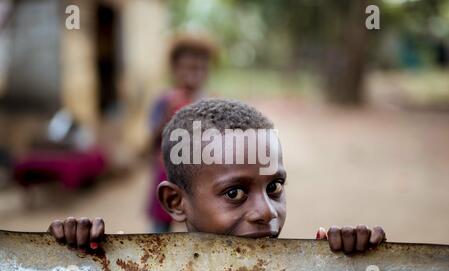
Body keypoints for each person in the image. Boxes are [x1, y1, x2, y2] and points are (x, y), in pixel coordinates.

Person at [48, 98, 386, 254]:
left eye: (275, 187)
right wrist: (78, 256)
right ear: (175, 202)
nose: (267, 211)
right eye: (235, 193)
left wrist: (346, 265)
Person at [147, 35, 217, 232]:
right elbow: (150, 141)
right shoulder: (164, 101)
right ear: (175, 69)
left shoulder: (213, 103)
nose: (191, 74)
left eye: (198, 68)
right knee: (159, 233)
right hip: (166, 174)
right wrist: (168, 117)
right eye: (186, 68)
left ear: (207, 70)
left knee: (202, 232)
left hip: (202, 177)